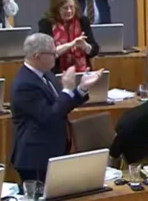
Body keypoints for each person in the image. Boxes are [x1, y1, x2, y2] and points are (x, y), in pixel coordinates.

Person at [10, 33, 104, 182]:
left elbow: (62, 106)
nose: (56, 55)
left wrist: (81, 88)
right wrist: (67, 89)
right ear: (37, 56)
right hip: (35, 158)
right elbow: (50, 116)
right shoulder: (24, 85)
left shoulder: (45, 74)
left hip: (53, 150)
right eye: (52, 53)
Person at [38, 0, 100, 74]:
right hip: (56, 74)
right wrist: (71, 44)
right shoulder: (46, 24)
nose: (69, 11)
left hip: (82, 73)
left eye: (71, 7)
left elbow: (94, 50)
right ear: (56, 9)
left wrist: (85, 46)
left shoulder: (83, 21)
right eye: (65, 8)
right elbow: (46, 53)